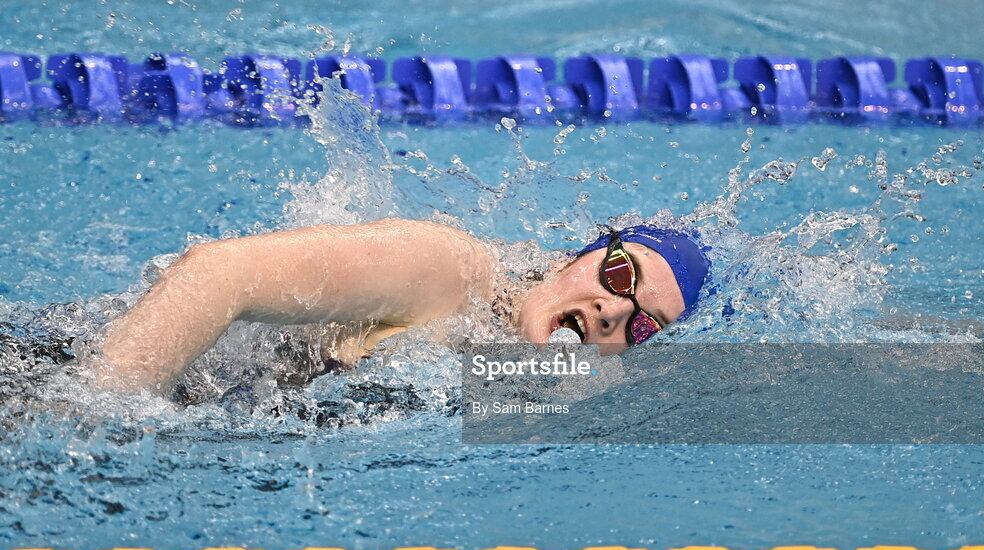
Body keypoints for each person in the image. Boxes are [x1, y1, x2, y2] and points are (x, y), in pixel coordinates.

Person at [86, 218, 710, 393]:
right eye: (620, 274)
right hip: (66, 381)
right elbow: (219, 272)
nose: (613, 313)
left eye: (645, 324)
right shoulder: (447, 270)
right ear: (563, 261)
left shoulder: (516, 379)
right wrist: (92, 405)